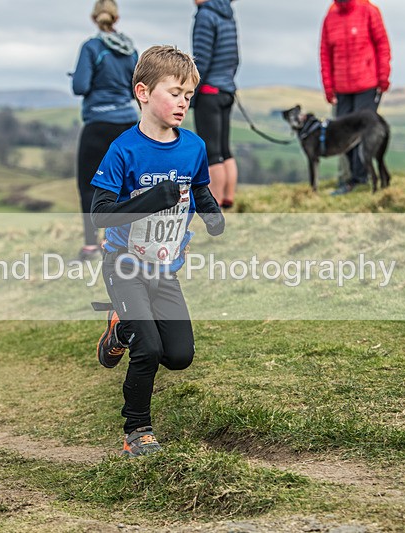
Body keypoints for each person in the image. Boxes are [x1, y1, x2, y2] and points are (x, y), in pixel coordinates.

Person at [90, 45, 225, 457]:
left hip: (164, 268)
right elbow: (99, 215)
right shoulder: (123, 150)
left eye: (189, 95)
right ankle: (137, 431)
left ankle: (118, 327)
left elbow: (198, 186)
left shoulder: (193, 147)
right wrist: (150, 199)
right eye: (175, 92)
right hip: (123, 264)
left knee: (179, 355)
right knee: (147, 347)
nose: (184, 102)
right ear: (144, 92)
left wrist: (212, 213)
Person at [70, 0, 138, 262]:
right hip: (128, 123)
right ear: (117, 18)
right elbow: (137, 86)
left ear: (94, 17)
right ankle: (127, 244)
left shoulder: (92, 47)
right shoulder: (131, 50)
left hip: (98, 124)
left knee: (89, 186)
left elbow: (80, 86)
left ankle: (91, 246)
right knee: (126, 185)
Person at [320, 0, 391, 195]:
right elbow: (325, 54)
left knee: (365, 134)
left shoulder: (369, 11)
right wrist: (328, 86)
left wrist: (383, 76)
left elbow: (382, 44)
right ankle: (352, 178)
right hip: (342, 88)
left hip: (367, 84)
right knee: (342, 135)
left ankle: (361, 178)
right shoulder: (331, 16)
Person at [191, 0, 239, 209]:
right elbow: (234, 57)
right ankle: (228, 197)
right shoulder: (227, 13)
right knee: (224, 149)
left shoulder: (205, 16)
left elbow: (201, 61)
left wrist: (190, 93)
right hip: (226, 89)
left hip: (209, 92)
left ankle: (214, 204)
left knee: (211, 152)